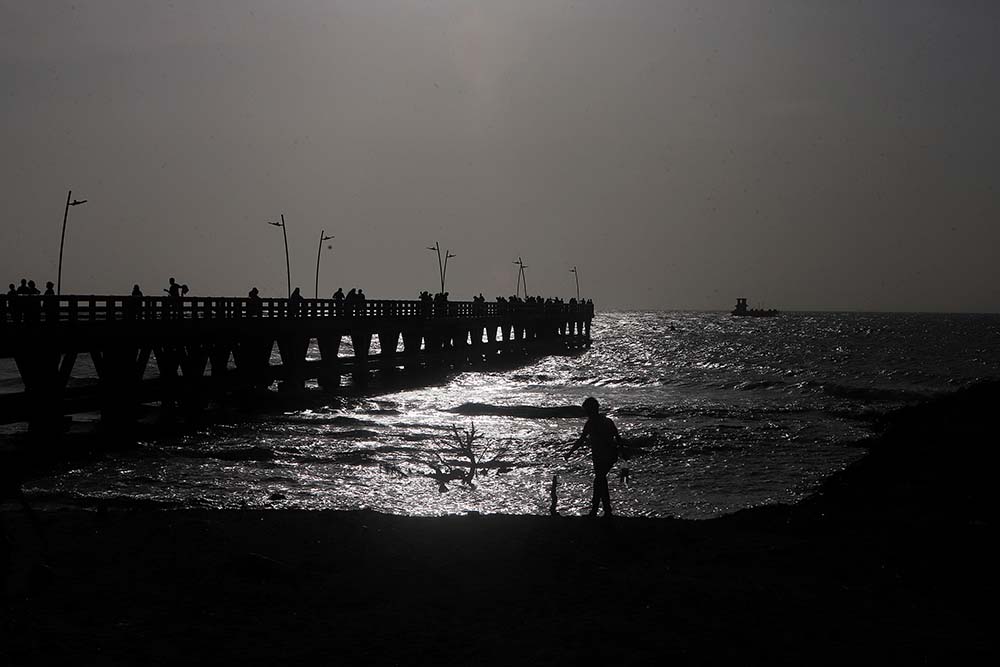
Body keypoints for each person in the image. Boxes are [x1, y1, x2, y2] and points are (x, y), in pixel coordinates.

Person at [565, 397, 624, 517]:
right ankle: (603, 510)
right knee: (600, 481)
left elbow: (581, 440)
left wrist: (570, 453)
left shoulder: (591, 423)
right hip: (611, 454)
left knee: (599, 481)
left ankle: (599, 511)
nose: (585, 412)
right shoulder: (608, 421)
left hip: (601, 455)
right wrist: (622, 453)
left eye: (586, 409)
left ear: (590, 409)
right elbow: (617, 437)